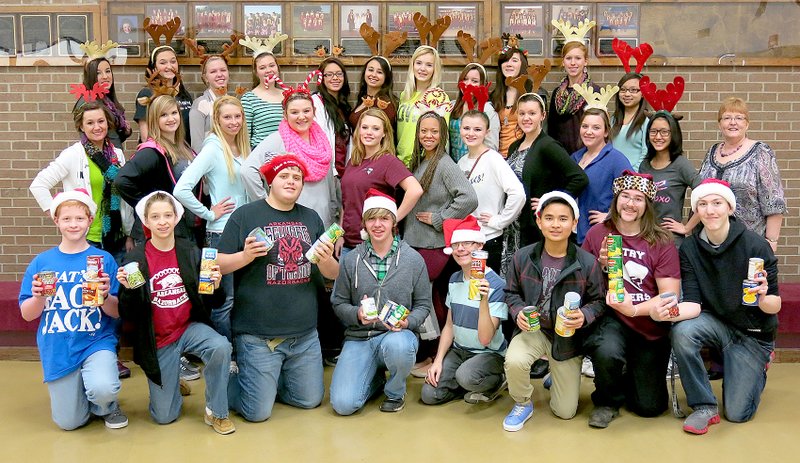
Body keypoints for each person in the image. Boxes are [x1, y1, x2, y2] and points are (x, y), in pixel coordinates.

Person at [217, 155, 339, 422]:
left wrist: (327, 258)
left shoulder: (311, 217)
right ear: (270, 181)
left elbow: (333, 274)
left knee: (310, 401)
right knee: (257, 414)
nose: (291, 181)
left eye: (297, 178)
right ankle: (226, 381)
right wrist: (245, 257)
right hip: (259, 336)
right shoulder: (246, 214)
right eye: (284, 176)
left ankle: (269, 382)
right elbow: (217, 265)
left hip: (305, 335)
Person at [668, 179, 780, 434]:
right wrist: (667, 313)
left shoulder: (755, 245)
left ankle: (760, 362)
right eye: (703, 204)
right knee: (682, 332)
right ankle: (704, 406)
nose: (710, 210)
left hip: (753, 334)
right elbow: (693, 305)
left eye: (717, 203)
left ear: (730, 208)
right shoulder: (690, 248)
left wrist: (763, 298)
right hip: (717, 323)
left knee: (738, 414)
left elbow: (775, 305)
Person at [116, 191, 234, 434]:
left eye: (168, 215)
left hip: (189, 328)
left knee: (220, 346)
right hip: (158, 340)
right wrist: (127, 291)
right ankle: (171, 382)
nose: (162, 221)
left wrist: (216, 284)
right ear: (146, 222)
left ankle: (217, 412)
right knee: (164, 417)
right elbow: (128, 314)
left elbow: (214, 301)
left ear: (176, 218)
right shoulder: (135, 259)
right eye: (155, 216)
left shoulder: (190, 251)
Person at [19, 189, 127, 430]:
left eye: (79, 218)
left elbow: (117, 312)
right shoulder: (42, 262)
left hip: (94, 340)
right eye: (66, 219)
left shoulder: (103, 259)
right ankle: (82, 393)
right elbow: (27, 314)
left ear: (90, 221)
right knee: (69, 423)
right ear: (56, 220)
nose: (73, 224)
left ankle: (106, 404)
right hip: (58, 347)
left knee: (103, 389)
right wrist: (38, 297)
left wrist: (104, 296)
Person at [581, 170, 680, 428]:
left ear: (647, 205)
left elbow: (670, 297)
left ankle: (629, 375)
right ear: (616, 199)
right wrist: (600, 267)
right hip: (611, 318)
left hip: (649, 325)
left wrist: (634, 309)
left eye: (638, 198)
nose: (630, 203)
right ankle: (607, 400)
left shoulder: (661, 240)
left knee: (649, 408)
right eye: (625, 196)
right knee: (607, 350)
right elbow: (581, 286)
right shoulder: (598, 234)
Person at [502, 192, 605, 432]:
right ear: (539, 221)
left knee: (565, 412)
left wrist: (585, 315)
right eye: (549, 218)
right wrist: (517, 312)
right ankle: (522, 403)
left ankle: (556, 376)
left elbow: (599, 301)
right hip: (534, 331)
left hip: (567, 338)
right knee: (515, 360)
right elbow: (510, 292)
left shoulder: (587, 262)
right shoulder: (523, 257)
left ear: (574, 223)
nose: (556, 224)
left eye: (563, 219)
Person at [330, 190, 432, 415]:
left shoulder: (413, 260)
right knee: (344, 405)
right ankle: (374, 379)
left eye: (384, 218)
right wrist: (357, 314)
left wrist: (407, 323)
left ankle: (395, 392)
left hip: (396, 336)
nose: (377, 224)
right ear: (364, 223)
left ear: (394, 222)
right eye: (371, 218)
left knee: (400, 347)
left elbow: (424, 305)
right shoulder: (351, 259)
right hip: (359, 338)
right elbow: (338, 302)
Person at [405, 111, 478, 375]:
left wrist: (440, 218)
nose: (428, 136)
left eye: (434, 131)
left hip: (432, 244)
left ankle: (436, 355)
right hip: (415, 241)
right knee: (426, 298)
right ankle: (429, 353)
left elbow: (469, 198)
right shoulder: (421, 161)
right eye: (424, 131)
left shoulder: (445, 163)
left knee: (430, 300)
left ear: (443, 134)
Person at [174, 96, 250, 341]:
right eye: (227, 117)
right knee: (222, 300)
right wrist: (208, 213)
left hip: (245, 232)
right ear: (216, 119)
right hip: (219, 234)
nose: (234, 122)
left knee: (241, 298)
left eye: (237, 116)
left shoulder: (243, 147)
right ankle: (225, 356)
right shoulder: (213, 148)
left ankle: (241, 351)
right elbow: (181, 189)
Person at [31, 100, 134, 261]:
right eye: (90, 123)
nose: (97, 127)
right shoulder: (72, 155)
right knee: (90, 286)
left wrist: (129, 235)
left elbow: (124, 198)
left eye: (101, 121)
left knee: (115, 285)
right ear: (81, 126)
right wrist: (59, 215)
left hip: (116, 237)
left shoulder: (117, 155)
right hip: (87, 238)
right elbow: (39, 185)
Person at [421, 216, 508, 405]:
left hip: (488, 354)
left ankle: (497, 380)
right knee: (429, 394)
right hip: (460, 351)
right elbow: (450, 326)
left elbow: (486, 339)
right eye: (456, 244)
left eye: (467, 243)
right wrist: (438, 361)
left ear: (479, 247)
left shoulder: (497, 285)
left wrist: (483, 299)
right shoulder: (454, 279)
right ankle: (462, 382)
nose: (460, 249)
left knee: (466, 376)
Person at [502, 92, 588, 275]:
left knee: (531, 278)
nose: (526, 118)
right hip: (512, 226)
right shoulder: (514, 146)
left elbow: (579, 178)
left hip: (533, 227)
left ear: (542, 115)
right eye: (522, 113)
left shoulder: (548, 146)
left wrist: (550, 200)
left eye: (532, 113)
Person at [695, 98, 787, 252]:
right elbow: (701, 195)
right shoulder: (712, 151)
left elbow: (774, 201)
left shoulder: (761, 152)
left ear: (747, 124)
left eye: (739, 118)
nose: (733, 122)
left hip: (748, 244)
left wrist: (771, 242)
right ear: (720, 124)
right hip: (709, 243)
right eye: (727, 118)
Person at [242, 86, 338, 228]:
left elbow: (330, 183)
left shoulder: (322, 141)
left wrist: (333, 216)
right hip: (292, 223)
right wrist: (267, 203)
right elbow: (247, 170)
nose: (301, 116)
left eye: (306, 111)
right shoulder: (278, 140)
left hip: (323, 221)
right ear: (285, 115)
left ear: (314, 112)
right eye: (294, 112)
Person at [116, 95, 198, 246]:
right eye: (164, 115)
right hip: (158, 232)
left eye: (174, 113)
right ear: (154, 120)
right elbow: (122, 181)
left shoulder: (183, 147)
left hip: (183, 228)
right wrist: (149, 205)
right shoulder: (151, 151)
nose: (171, 118)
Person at [340, 109, 423, 255]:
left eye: (376, 128)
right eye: (364, 127)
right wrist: (340, 234)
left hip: (375, 243)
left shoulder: (388, 161)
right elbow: (347, 200)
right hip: (348, 243)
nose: (369, 132)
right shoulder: (353, 161)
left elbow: (415, 190)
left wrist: (393, 219)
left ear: (384, 133)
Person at [458, 110, 525, 272]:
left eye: (477, 129)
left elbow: (518, 194)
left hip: (488, 238)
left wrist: (499, 221)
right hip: (467, 239)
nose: (471, 133)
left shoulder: (493, 159)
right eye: (466, 128)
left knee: (485, 290)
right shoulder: (461, 162)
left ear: (487, 132)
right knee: (470, 289)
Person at [570, 108, 632, 244]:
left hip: (605, 236)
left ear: (606, 132)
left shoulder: (616, 160)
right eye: (585, 126)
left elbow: (634, 193)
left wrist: (612, 216)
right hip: (574, 235)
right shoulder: (575, 158)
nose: (588, 131)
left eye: (596, 127)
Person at [638, 111, 700, 246]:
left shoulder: (680, 164)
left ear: (673, 134)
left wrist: (687, 227)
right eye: (653, 131)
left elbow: (706, 194)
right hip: (645, 239)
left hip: (670, 242)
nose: (658, 136)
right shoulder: (645, 165)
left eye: (664, 132)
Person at [397, 46, 449, 167]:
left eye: (429, 65)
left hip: (423, 162)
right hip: (401, 161)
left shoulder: (438, 97)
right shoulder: (405, 95)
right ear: (413, 65)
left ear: (434, 69)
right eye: (419, 63)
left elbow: (442, 135)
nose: (422, 69)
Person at [135, 46, 193, 144]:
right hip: (160, 153)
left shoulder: (184, 94)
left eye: (173, 61)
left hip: (182, 152)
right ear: (154, 67)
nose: (169, 66)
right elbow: (146, 136)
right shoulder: (147, 93)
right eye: (163, 63)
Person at [548, 40, 598, 155]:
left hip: (586, 154)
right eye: (569, 58)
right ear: (563, 62)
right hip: (561, 156)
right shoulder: (557, 93)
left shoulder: (593, 91)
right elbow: (552, 129)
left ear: (585, 61)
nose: (573, 63)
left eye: (578, 58)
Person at [74, 56, 132, 148]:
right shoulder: (88, 102)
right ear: (90, 76)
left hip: (115, 156)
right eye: (98, 73)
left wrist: (125, 131)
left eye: (108, 71)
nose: (105, 76)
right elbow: (93, 138)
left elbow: (112, 136)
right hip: (101, 158)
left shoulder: (107, 100)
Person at [450, 63, 500, 161]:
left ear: (483, 85)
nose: (468, 84)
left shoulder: (488, 110)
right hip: (453, 166)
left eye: (474, 81)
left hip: (475, 165)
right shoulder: (452, 106)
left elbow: (492, 145)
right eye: (465, 79)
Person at [489, 47, 532, 157]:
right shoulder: (493, 97)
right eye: (505, 60)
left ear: (522, 65)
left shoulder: (533, 93)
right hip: (498, 158)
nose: (509, 64)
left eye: (514, 60)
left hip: (524, 157)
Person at [313, 57, 352, 178]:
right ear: (321, 78)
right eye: (329, 74)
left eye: (339, 74)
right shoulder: (316, 103)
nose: (335, 78)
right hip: (326, 172)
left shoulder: (343, 106)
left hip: (342, 172)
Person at [241, 50, 285, 148]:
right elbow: (245, 136)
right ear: (256, 72)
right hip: (262, 156)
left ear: (277, 68)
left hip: (288, 154)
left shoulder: (287, 95)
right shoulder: (249, 99)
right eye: (262, 67)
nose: (268, 70)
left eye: (272, 65)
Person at [189, 55, 231, 153]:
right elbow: (197, 145)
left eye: (223, 70)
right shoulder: (200, 104)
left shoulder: (233, 103)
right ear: (205, 77)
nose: (219, 74)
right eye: (213, 72)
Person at [349, 56, 398, 137]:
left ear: (386, 77)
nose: (374, 75)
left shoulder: (384, 104)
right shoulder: (365, 98)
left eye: (379, 72)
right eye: (370, 70)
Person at [610, 73, 648, 171]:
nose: (627, 94)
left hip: (634, 178)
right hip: (612, 173)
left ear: (643, 93)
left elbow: (646, 152)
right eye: (623, 90)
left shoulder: (646, 121)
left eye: (633, 90)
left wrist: (631, 174)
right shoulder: (613, 119)